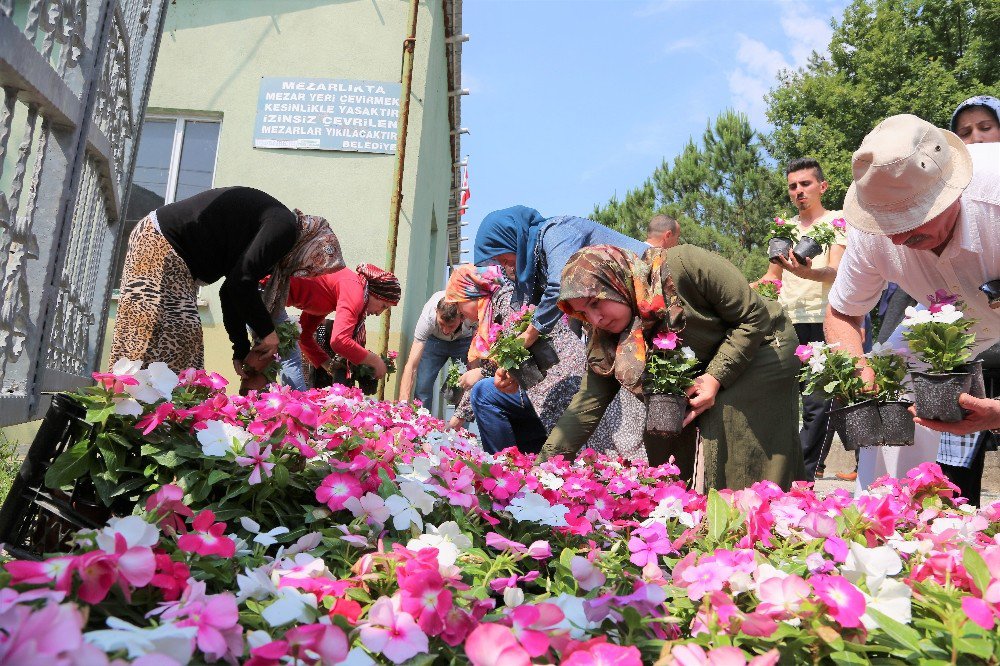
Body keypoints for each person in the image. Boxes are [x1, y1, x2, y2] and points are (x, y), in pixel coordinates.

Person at [825, 113, 1000, 505]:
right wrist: (859, 371)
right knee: (891, 376)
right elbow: (842, 313)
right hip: (944, 316)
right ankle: (886, 519)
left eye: (913, 217)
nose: (900, 236)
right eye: (889, 221)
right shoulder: (872, 232)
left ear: (953, 189)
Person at [542, 244, 806, 491]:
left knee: (728, 421)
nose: (595, 318)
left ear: (615, 283)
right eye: (583, 314)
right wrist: (542, 470)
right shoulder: (607, 337)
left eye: (595, 302)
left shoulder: (685, 264)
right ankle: (682, 512)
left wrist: (715, 377)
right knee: (664, 429)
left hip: (765, 344)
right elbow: (588, 401)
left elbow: (753, 316)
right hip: (708, 361)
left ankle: (760, 511)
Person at [110, 186, 344, 375]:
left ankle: (157, 413)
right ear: (311, 246)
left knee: (179, 339)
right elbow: (241, 282)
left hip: (171, 254)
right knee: (166, 334)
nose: (302, 270)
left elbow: (230, 291)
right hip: (161, 245)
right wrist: (267, 332)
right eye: (311, 263)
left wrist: (240, 349)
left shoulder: (279, 231)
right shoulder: (284, 228)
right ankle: (137, 409)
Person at [445, 265, 645, 458]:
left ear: (473, 294)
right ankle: (528, 464)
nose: (463, 317)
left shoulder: (507, 302)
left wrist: (481, 375)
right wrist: (460, 415)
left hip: (561, 382)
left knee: (484, 393)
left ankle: (503, 467)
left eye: (460, 307)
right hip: (543, 383)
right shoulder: (497, 307)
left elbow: (513, 357)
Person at [755, 158, 847, 481]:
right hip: (785, 324)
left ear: (822, 187)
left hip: (822, 322)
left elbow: (835, 272)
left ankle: (803, 479)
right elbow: (772, 278)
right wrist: (737, 287)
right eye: (793, 186)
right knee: (779, 401)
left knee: (817, 404)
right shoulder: (783, 229)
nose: (798, 191)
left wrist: (807, 272)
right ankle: (775, 475)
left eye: (805, 184)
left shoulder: (837, 221)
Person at [473, 206, 648, 353]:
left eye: (503, 258)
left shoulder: (556, 232)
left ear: (513, 239)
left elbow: (560, 285)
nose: (505, 265)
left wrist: (530, 333)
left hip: (650, 285)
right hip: (629, 305)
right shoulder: (538, 261)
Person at [286, 264, 400, 386]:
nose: (379, 313)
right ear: (374, 293)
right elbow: (340, 341)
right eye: (383, 306)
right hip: (269, 288)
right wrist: (374, 360)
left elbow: (304, 335)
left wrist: (328, 365)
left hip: (275, 297)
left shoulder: (330, 296)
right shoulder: (354, 291)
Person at [398, 293, 476, 407]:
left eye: (451, 326)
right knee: (423, 384)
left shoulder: (470, 312)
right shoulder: (427, 318)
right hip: (434, 341)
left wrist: (472, 369)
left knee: (461, 386)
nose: (445, 330)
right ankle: (421, 421)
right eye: (442, 324)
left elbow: (478, 344)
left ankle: (459, 424)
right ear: (436, 312)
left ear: (462, 317)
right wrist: (403, 401)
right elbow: (411, 365)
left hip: (464, 341)